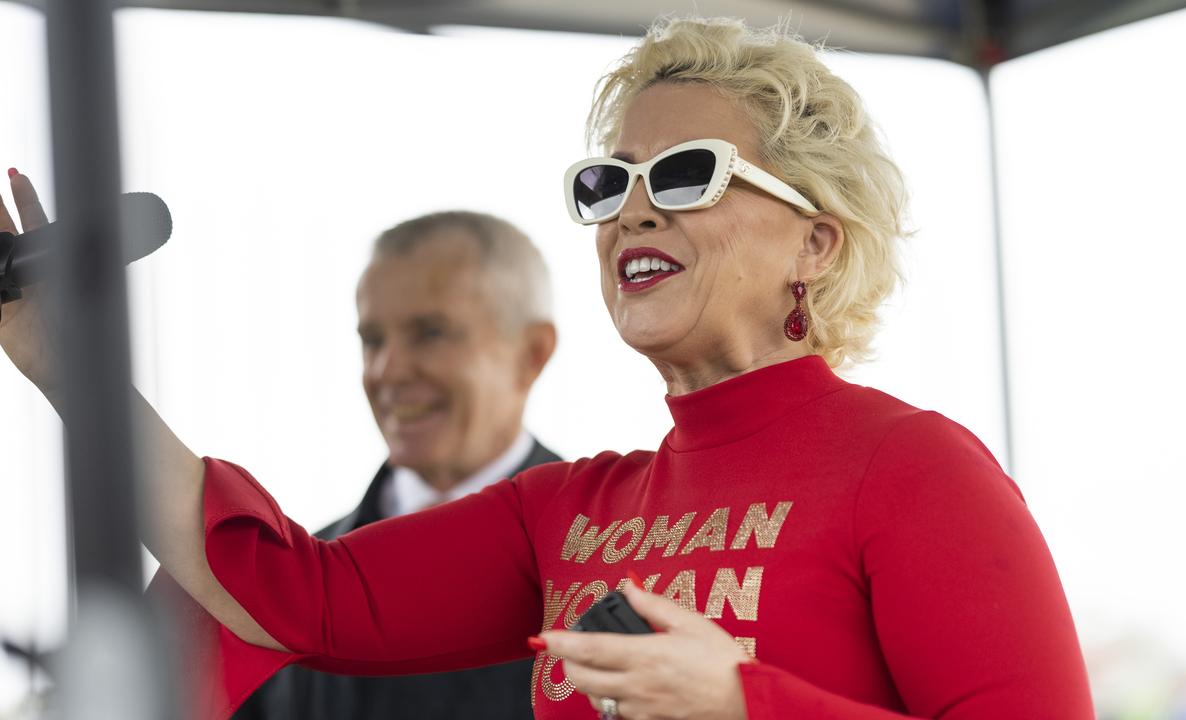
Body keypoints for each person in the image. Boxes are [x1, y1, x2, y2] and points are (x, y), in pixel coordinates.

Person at [0, 16, 1096, 720]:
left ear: (815, 239)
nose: (630, 207)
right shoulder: (570, 511)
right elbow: (286, 596)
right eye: (604, 182)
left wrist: (745, 705)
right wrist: (63, 365)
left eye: (682, 173)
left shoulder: (910, 470)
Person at [233, 211, 560, 719]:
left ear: (531, 353)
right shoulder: (288, 597)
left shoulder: (605, 570)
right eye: (373, 340)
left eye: (431, 333)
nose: (389, 370)